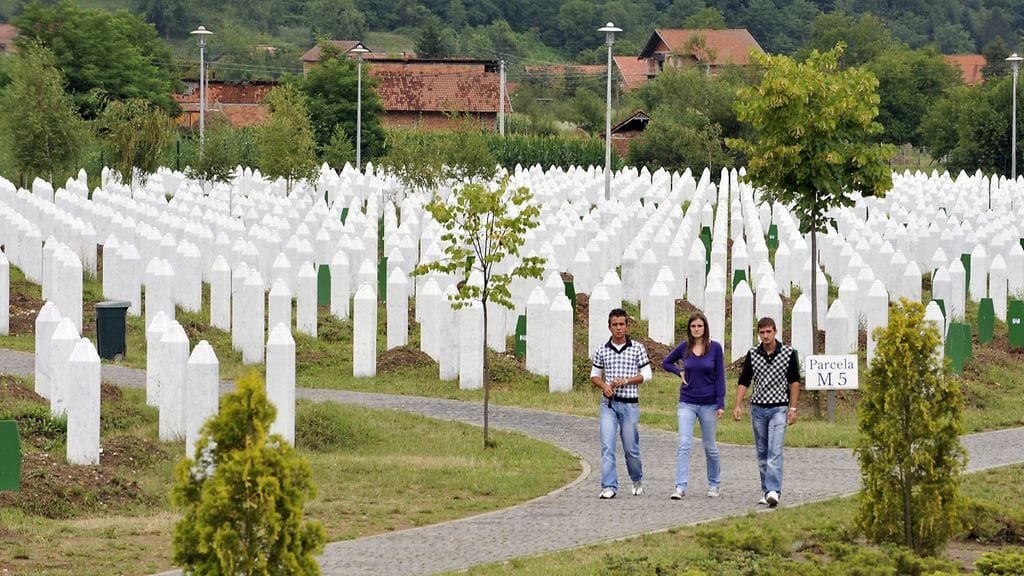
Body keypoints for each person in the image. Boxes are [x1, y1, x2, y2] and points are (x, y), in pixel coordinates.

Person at [732, 317, 801, 508]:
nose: (765, 336)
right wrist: (738, 404)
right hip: (758, 407)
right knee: (762, 451)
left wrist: (793, 408)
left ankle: (774, 490)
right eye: (762, 332)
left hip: (779, 407)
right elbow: (744, 380)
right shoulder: (753, 353)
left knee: (775, 449)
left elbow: (794, 381)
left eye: (768, 332)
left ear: (775, 331)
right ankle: (766, 489)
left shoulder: (788, 352)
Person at [661, 312, 725, 499]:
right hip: (687, 402)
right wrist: (678, 370)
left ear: (705, 328)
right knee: (684, 444)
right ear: (689, 329)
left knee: (710, 446)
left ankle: (714, 484)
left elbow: (720, 377)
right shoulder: (684, 347)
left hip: (709, 403)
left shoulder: (715, 348)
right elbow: (666, 362)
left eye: (699, 326)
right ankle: (680, 486)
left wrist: (720, 403)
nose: (696, 329)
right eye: (693, 326)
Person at [590, 308, 653, 499]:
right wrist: (604, 386)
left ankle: (637, 479)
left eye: (621, 324)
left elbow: (647, 375)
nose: (618, 328)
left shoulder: (637, 348)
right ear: (609, 327)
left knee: (630, 448)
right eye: (615, 325)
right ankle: (609, 486)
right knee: (607, 445)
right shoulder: (602, 350)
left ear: (627, 326)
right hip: (609, 404)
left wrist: (626, 380)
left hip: (630, 404)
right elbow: (595, 375)